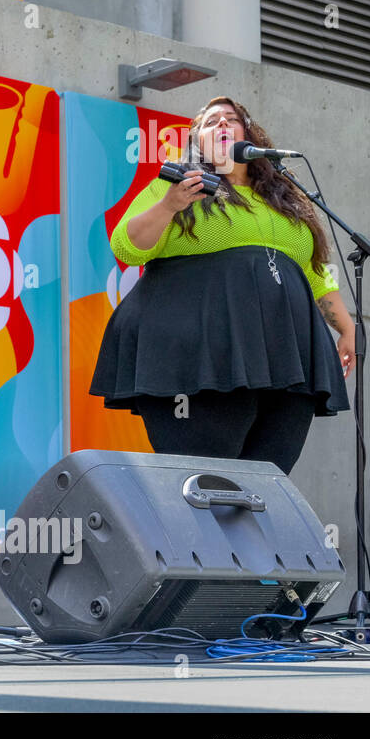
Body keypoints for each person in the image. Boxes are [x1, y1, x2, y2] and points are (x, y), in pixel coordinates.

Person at [90, 96, 353, 474]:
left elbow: (314, 270)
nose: (223, 125)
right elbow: (127, 247)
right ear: (198, 142)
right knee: (207, 477)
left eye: (232, 119)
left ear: (249, 135)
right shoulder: (177, 189)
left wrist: (344, 325)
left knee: (266, 479)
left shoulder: (285, 199)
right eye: (211, 122)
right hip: (198, 356)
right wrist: (169, 205)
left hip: (283, 357)